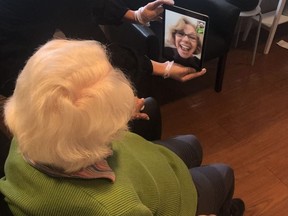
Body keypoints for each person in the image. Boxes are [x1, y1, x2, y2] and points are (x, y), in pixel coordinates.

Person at [0, 39, 244, 216]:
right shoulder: (115, 208)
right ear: (96, 140)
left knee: (192, 143)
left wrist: (108, 112)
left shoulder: (29, 131)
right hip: (176, 200)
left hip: (150, 166)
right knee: (224, 173)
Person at [0, 0, 206, 98]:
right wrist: (163, 69)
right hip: (13, 71)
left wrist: (137, 15)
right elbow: (99, 52)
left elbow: (90, 5)